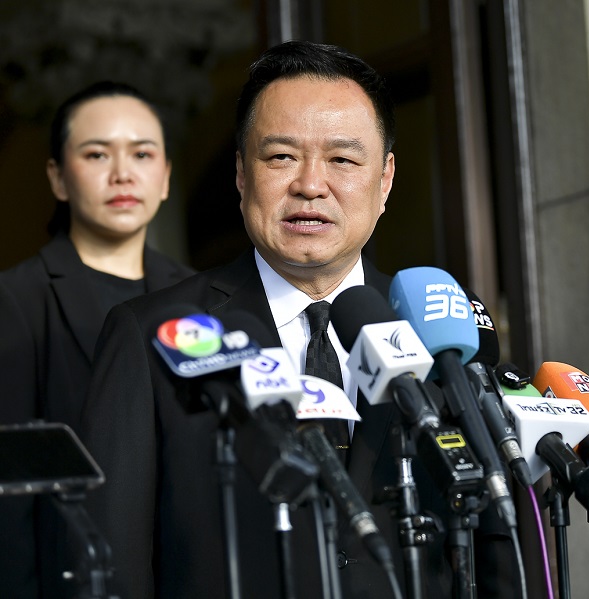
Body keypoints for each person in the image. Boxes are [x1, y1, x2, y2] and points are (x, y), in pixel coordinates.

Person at [80, 41, 521, 599]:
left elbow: (496, 548)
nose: (310, 184)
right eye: (281, 157)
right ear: (242, 174)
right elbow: (111, 558)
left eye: (342, 160)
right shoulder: (151, 336)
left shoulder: (440, 329)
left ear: (385, 179)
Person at [0, 82, 195, 597]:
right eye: (96, 154)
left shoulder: (200, 299)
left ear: (166, 176)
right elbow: (10, 499)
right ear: (57, 177)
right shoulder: (16, 301)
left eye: (142, 154)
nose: (122, 173)